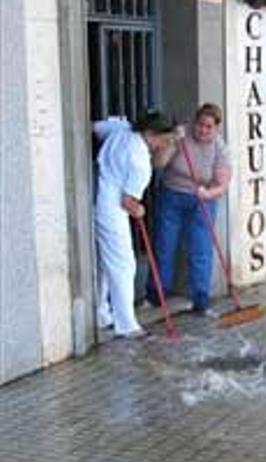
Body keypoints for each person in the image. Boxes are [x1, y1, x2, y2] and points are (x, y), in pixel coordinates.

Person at [94, 111, 179, 338]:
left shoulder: (123, 130)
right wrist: (140, 209)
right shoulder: (140, 161)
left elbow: (96, 128)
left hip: (101, 193)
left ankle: (101, 312)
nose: (166, 144)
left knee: (106, 262)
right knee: (124, 264)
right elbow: (128, 202)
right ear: (152, 134)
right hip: (112, 208)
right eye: (166, 140)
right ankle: (127, 324)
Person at [145, 104, 231, 316]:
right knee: (165, 244)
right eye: (200, 125)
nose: (203, 130)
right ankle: (157, 294)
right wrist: (172, 141)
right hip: (172, 195)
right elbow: (158, 163)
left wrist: (208, 194)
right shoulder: (181, 137)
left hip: (202, 200)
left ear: (217, 129)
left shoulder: (220, 148)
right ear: (194, 122)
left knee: (200, 249)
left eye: (208, 127)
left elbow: (222, 184)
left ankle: (200, 299)